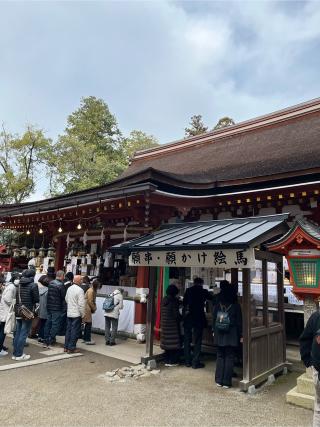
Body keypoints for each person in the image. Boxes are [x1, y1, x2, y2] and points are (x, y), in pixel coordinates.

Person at [212, 280, 242, 389]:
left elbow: (214, 318)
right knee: (229, 357)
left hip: (219, 332)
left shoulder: (218, 303)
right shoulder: (235, 305)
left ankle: (219, 380)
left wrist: (213, 330)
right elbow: (239, 322)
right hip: (232, 333)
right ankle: (226, 381)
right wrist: (241, 334)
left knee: (220, 356)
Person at [183, 277, 213, 368]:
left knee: (187, 340)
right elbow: (212, 298)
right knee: (197, 341)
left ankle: (187, 361)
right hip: (198, 318)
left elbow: (184, 303)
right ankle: (195, 362)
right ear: (202, 283)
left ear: (194, 283)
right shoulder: (203, 291)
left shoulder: (188, 290)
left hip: (188, 318)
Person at [12, 269, 39, 361]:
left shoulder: (18, 284)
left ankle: (15, 353)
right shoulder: (33, 285)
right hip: (27, 312)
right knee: (23, 334)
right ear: (32, 276)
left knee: (18, 333)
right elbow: (36, 299)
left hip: (18, 310)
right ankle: (19, 354)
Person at [299, 308, 320, 427]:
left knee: (318, 408)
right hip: (317, 368)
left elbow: (304, 340)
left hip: (318, 369)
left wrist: (309, 362)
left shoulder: (316, 316)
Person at [160, 284, 182, 367]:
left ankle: (167, 360)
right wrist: (183, 317)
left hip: (165, 324)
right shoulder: (173, 301)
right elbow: (176, 315)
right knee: (173, 344)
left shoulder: (164, 300)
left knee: (167, 343)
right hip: (172, 325)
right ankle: (172, 361)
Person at [64, 275, 86, 353]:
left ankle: (66, 347)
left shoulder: (69, 288)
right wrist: (83, 315)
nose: (82, 281)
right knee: (74, 331)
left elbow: (66, 299)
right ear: (78, 281)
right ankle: (71, 347)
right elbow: (81, 305)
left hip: (69, 312)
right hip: (76, 314)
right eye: (81, 280)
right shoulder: (80, 290)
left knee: (68, 330)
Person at [44, 270, 65, 347]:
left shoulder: (51, 283)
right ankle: (51, 339)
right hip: (57, 307)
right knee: (55, 324)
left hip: (49, 306)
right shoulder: (61, 285)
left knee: (48, 322)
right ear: (62, 276)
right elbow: (63, 297)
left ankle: (46, 338)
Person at [0, 275, 16, 356]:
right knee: (3, 331)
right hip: (5, 312)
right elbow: (7, 299)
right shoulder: (11, 287)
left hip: (3, 311)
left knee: (2, 330)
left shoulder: (8, 286)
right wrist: (13, 303)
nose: (2, 285)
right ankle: (0, 350)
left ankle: (1, 347)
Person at [82, 279, 101, 345]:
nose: (99, 287)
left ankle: (85, 338)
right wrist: (94, 308)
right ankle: (87, 339)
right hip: (87, 308)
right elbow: (90, 301)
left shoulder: (92, 290)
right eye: (99, 286)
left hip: (87, 308)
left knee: (87, 323)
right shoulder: (91, 291)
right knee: (88, 323)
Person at [37, 275, 50, 343]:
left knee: (41, 323)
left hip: (40, 309)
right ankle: (43, 337)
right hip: (46, 309)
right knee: (45, 324)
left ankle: (39, 336)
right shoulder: (47, 290)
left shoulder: (39, 289)